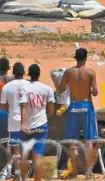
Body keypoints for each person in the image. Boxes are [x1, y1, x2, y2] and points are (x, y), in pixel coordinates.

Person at [57, 48, 99, 178]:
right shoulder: (90, 72)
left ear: (75, 57)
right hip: (86, 105)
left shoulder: (69, 72)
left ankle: (73, 170)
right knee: (89, 141)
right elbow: (95, 91)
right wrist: (90, 92)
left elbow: (60, 89)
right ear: (86, 58)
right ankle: (89, 171)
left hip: (74, 106)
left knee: (72, 141)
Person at [19, 64, 55, 181]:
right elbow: (51, 109)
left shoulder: (24, 88)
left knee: (24, 154)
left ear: (29, 74)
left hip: (28, 126)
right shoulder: (47, 89)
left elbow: (24, 106)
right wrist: (46, 118)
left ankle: (23, 178)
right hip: (42, 125)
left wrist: (23, 124)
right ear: (39, 74)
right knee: (38, 155)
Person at [0, 62, 30, 180]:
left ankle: (11, 170)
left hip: (12, 117)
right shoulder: (28, 84)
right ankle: (23, 172)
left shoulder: (7, 86)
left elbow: (2, 105)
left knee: (11, 143)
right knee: (25, 144)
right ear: (23, 72)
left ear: (13, 72)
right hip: (26, 118)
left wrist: (9, 112)